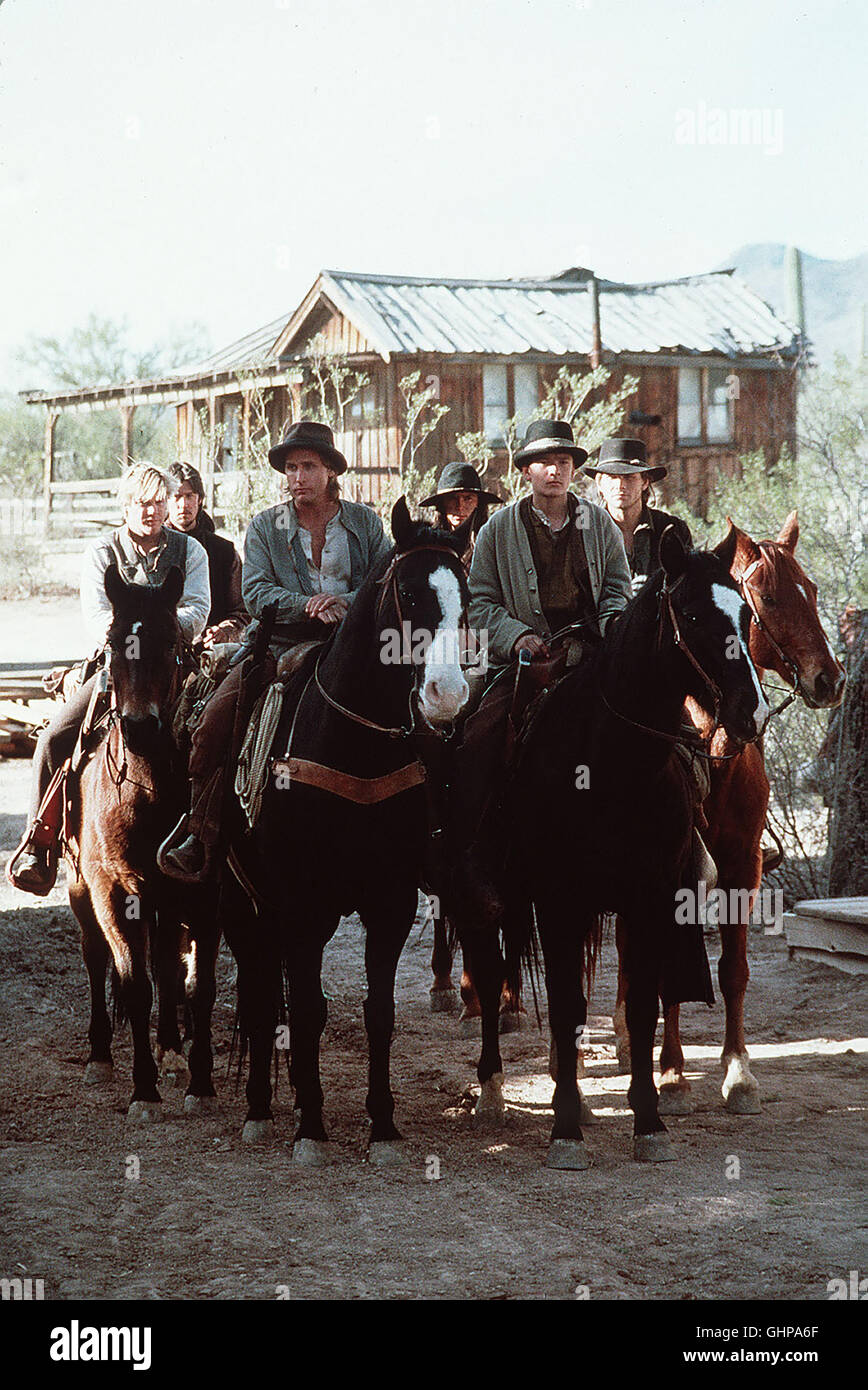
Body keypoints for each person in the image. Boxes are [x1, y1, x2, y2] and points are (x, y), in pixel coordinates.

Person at [160, 419, 390, 883]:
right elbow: (257, 592)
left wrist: (347, 603)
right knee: (212, 722)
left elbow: (385, 579)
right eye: (290, 468)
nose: (298, 477)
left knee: (423, 710)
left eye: (307, 466)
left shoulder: (365, 522)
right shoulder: (267, 525)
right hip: (281, 646)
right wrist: (307, 605)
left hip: (357, 647)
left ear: (330, 471)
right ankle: (201, 831)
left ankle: (433, 838)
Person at [8, 464, 211, 895]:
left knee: (218, 735)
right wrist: (132, 628)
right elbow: (98, 615)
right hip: (117, 663)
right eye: (142, 503)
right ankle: (39, 843)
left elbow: (197, 607)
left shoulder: (190, 551)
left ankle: (216, 840)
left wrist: (163, 628)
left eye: (158, 502)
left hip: (174, 661)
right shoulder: (103, 550)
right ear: (125, 506)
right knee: (56, 737)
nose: (151, 511)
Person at [469, 418, 632, 667]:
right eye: (544, 462)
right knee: (469, 702)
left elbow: (617, 588)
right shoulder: (497, 529)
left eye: (563, 462)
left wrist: (611, 623)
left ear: (573, 471)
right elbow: (478, 603)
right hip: (520, 662)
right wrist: (516, 637)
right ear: (526, 471)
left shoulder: (598, 523)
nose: (554, 470)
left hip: (593, 656)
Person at [583, 437, 691, 592]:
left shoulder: (672, 530)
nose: (620, 486)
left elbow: (688, 587)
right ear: (600, 484)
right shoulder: (587, 530)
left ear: (645, 482)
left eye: (629, 477)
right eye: (612, 477)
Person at [166, 462, 248, 645]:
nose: (184, 504)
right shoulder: (153, 547)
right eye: (177, 497)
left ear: (200, 499)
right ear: (165, 500)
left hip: (212, 651)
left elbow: (242, 610)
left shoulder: (223, 552)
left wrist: (225, 630)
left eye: (189, 496)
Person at [418, 462, 502, 573]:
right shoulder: (427, 547)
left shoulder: (494, 545)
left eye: (468, 499)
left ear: (478, 503)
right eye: (452, 498)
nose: (460, 507)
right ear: (442, 504)